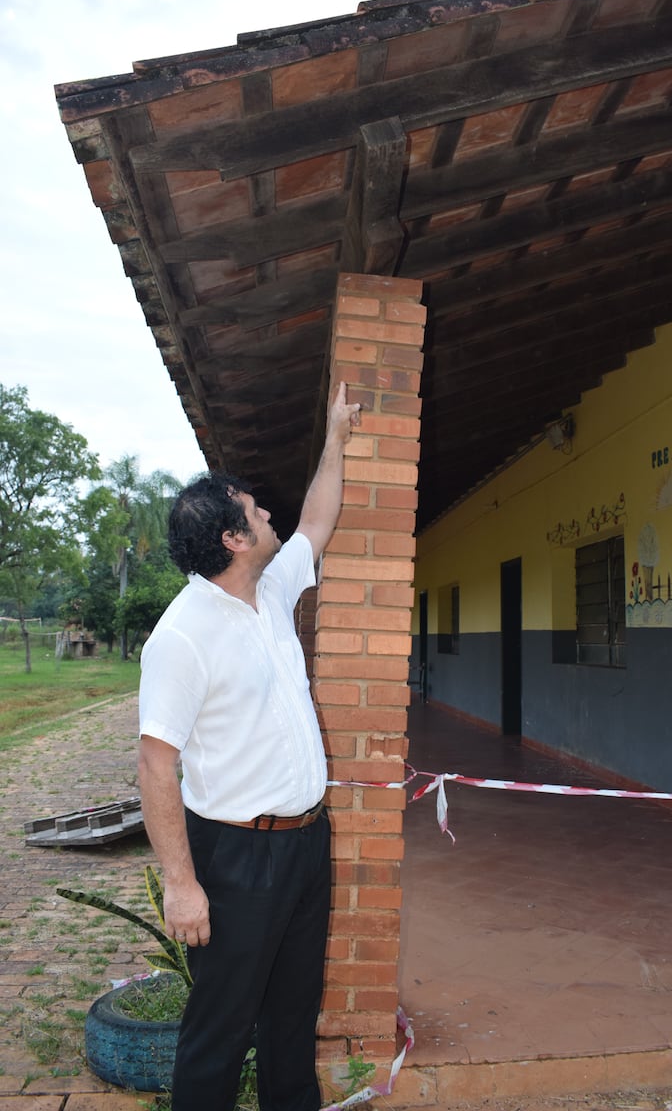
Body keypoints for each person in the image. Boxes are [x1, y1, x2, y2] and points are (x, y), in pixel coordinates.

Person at [137, 382, 361, 1111]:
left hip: (303, 844)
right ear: (234, 539)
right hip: (234, 858)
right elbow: (156, 763)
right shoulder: (181, 636)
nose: (271, 517)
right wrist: (181, 882)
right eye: (258, 513)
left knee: (292, 1018)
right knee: (221, 1027)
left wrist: (336, 435)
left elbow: (318, 521)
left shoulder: (271, 589)